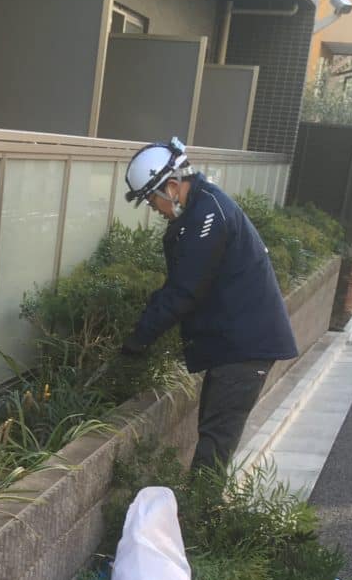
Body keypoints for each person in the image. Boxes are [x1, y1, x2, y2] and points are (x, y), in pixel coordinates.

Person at [119, 139, 297, 469]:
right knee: (213, 440)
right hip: (236, 342)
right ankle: (200, 514)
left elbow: (185, 290)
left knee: (213, 449)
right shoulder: (202, 209)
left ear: (171, 186)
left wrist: (139, 339)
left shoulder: (209, 217)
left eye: (152, 200)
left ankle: (202, 518)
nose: (154, 209)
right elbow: (179, 285)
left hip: (246, 346)